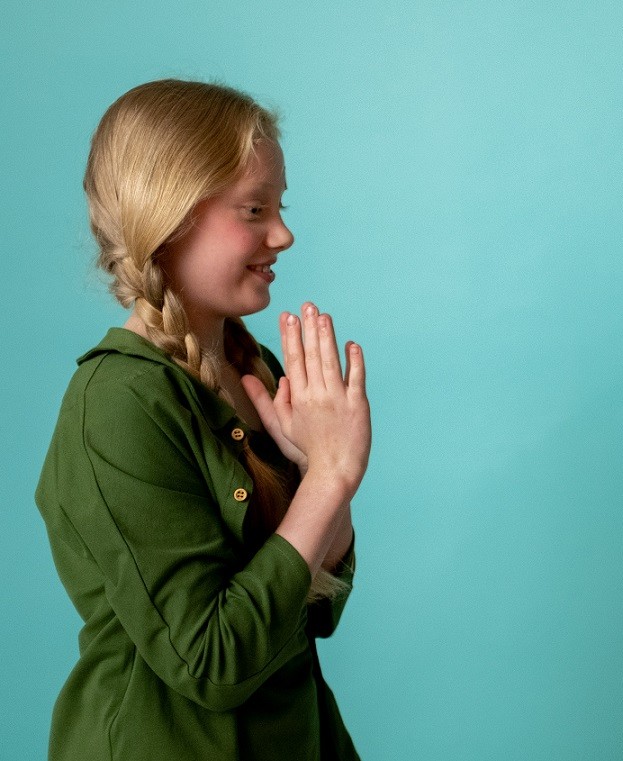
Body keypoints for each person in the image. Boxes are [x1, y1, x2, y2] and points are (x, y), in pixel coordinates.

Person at [36, 79, 371, 760]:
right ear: (171, 214)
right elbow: (211, 662)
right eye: (254, 209)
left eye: (280, 206)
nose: (283, 233)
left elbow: (316, 608)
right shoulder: (119, 403)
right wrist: (331, 477)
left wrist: (318, 475)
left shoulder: (257, 368)